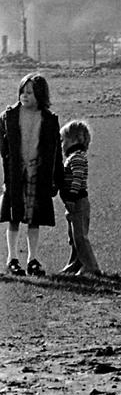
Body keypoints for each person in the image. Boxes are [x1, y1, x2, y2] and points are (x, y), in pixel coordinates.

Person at [0, 73, 64, 276]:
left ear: (40, 94)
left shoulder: (49, 119)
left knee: (34, 218)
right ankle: (12, 259)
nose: (24, 95)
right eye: (22, 91)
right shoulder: (8, 116)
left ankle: (32, 259)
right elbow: (3, 149)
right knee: (14, 216)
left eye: (30, 92)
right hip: (15, 174)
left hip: (39, 173)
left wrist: (57, 178)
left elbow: (56, 151)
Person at [58, 120, 102, 277]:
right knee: (73, 237)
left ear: (73, 140)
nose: (61, 145)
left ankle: (91, 265)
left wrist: (71, 196)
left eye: (63, 141)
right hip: (72, 203)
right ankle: (76, 262)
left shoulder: (77, 158)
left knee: (80, 236)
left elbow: (77, 179)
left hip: (77, 202)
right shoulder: (74, 157)